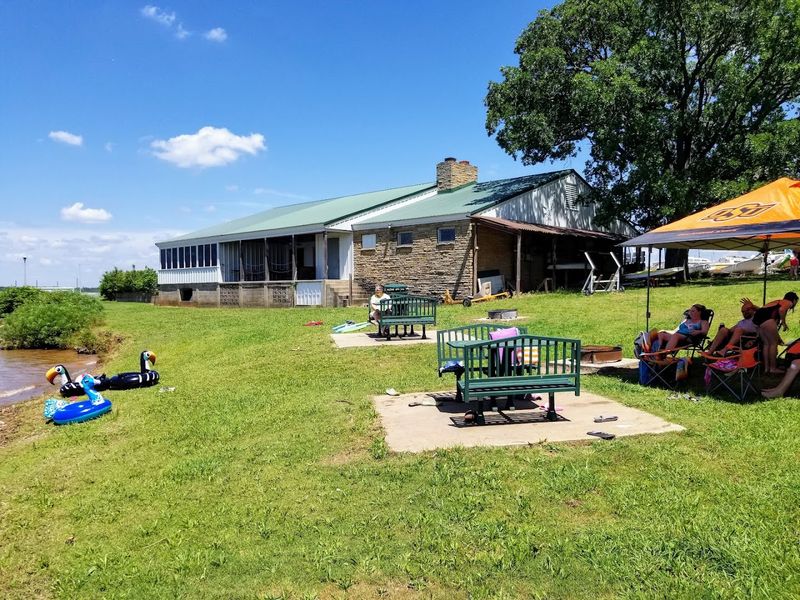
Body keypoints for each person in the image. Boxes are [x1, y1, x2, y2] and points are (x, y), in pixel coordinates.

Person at [750, 291, 799, 374]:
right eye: (796, 302)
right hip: (766, 319)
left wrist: (778, 338)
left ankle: (767, 368)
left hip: (758, 319)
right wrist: (784, 323)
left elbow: (773, 328)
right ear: (794, 300)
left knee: (766, 344)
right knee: (773, 344)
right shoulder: (788, 302)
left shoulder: (777, 303)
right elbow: (781, 310)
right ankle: (773, 368)